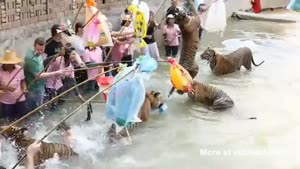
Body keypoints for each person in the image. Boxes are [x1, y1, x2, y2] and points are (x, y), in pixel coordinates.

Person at [24, 37, 66, 112]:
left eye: (42, 50)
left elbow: (43, 62)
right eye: (38, 50)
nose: (40, 52)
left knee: (39, 106)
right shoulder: (30, 59)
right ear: (34, 46)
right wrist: (55, 73)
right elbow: (38, 76)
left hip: (40, 85)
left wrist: (55, 56)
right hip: (32, 88)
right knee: (31, 109)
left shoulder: (38, 55)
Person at [0, 50, 27, 121]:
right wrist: (7, 88)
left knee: (21, 117)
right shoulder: (0, 72)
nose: (11, 65)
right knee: (8, 119)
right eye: (8, 63)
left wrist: (24, 89)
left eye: (12, 63)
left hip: (20, 98)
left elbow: (22, 81)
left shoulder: (19, 69)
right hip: (6, 101)